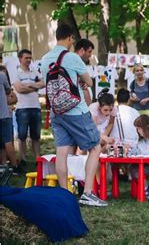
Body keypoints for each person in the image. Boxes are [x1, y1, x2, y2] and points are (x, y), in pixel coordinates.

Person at [41, 24, 107, 206]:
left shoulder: (45, 59)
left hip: (56, 112)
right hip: (75, 110)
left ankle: (65, 195)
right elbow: (88, 80)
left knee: (62, 152)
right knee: (95, 147)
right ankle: (87, 193)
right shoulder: (71, 57)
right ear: (70, 38)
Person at [10, 49, 45, 164]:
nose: (29, 60)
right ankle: (23, 159)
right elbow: (19, 89)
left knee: (36, 135)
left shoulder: (34, 71)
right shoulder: (16, 72)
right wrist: (35, 86)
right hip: (22, 108)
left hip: (36, 107)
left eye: (30, 58)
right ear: (20, 59)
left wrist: (29, 85)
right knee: (22, 135)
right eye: (26, 58)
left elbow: (43, 83)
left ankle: (37, 159)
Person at [0, 68, 22, 174]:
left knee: (1, 143)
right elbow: (9, 91)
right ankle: (14, 166)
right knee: (7, 141)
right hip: (3, 115)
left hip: (4, 113)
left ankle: (3, 164)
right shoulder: (1, 75)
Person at [74, 39, 95, 106]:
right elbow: (90, 83)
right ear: (82, 50)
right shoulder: (76, 61)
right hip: (80, 106)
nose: (90, 55)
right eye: (89, 52)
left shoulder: (79, 62)